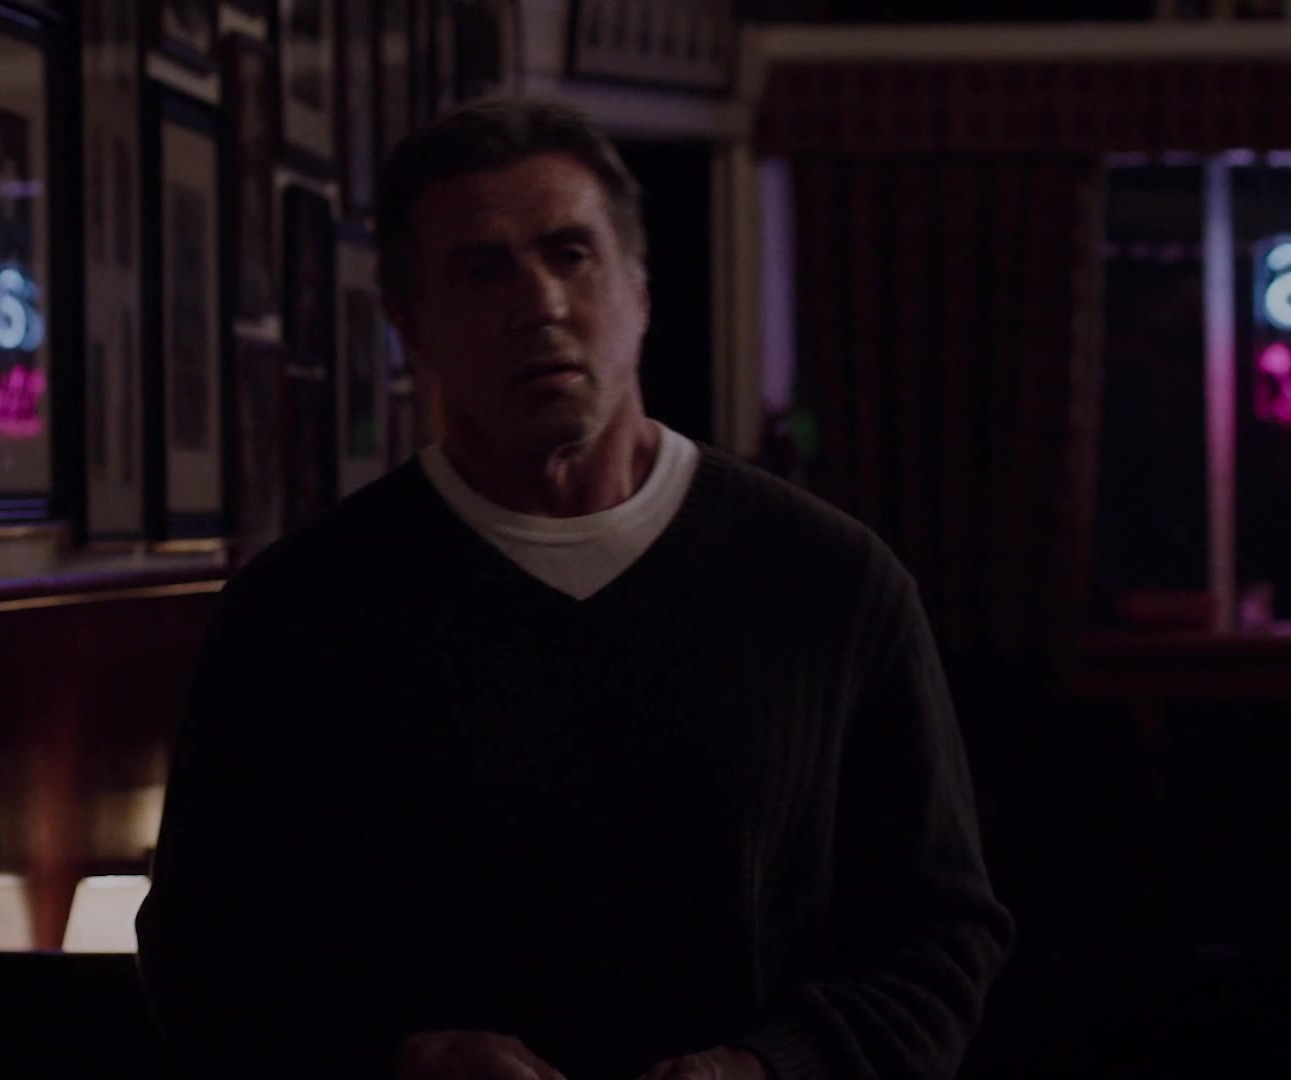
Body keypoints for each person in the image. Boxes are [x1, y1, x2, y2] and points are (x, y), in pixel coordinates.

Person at [136, 99, 1012, 1080]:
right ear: (408, 324)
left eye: (571, 255)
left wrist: (770, 1068)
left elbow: (941, 937)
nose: (540, 305)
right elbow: (201, 959)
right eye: (483, 270)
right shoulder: (301, 612)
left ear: (639, 291)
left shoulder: (830, 583)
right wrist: (400, 1058)